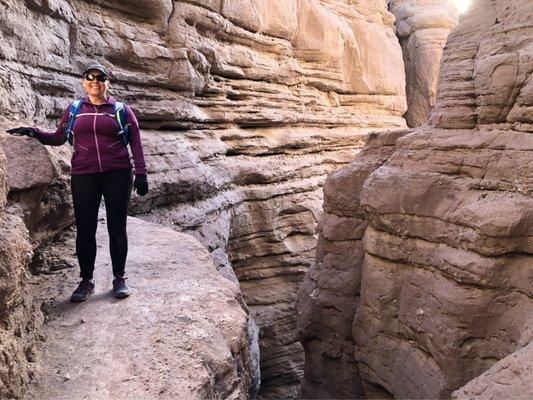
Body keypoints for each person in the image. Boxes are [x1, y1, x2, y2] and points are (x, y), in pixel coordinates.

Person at [7, 63, 148, 302]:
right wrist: (34, 132)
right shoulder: (74, 109)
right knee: (85, 229)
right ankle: (86, 281)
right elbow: (58, 137)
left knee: (117, 228)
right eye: (90, 77)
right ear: (84, 82)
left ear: (107, 82)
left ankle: (119, 278)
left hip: (118, 174)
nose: (95, 81)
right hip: (84, 175)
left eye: (100, 77)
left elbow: (135, 142)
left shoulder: (122, 110)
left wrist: (141, 173)